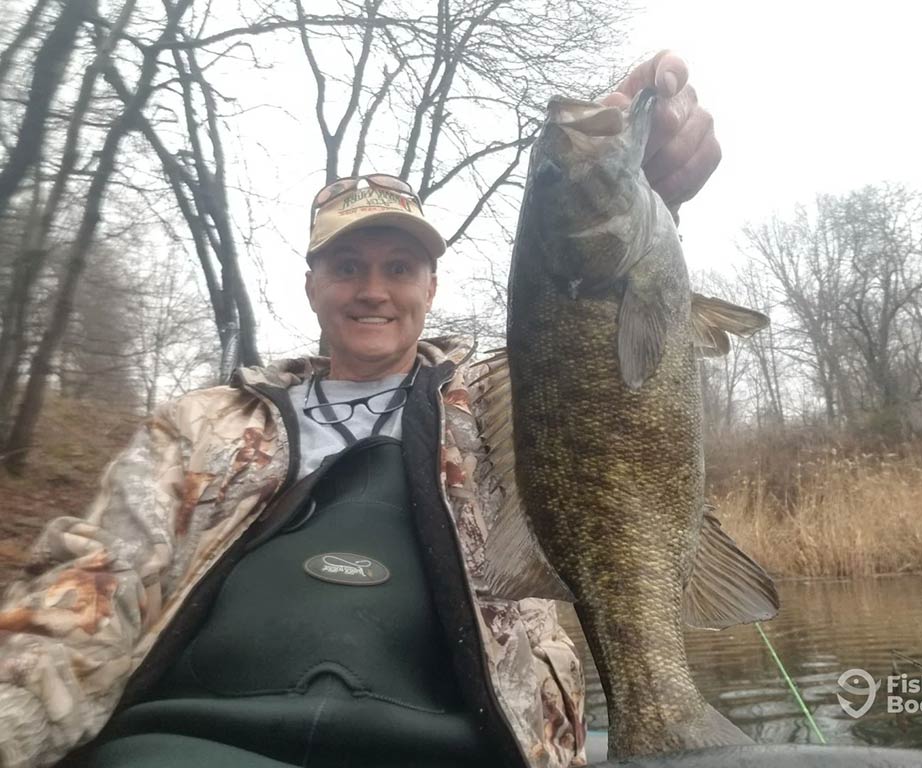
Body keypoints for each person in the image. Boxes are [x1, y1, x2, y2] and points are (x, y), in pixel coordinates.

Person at [0, 51, 721, 768]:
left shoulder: (503, 417)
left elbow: (604, 383)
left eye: (399, 268)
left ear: (430, 288)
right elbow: (88, 590)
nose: (373, 289)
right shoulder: (200, 426)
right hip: (190, 743)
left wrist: (645, 197)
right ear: (312, 286)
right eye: (347, 267)